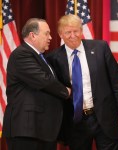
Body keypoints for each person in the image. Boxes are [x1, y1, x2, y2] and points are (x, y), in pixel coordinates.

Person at [46, 14, 118, 150]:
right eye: (68, 32)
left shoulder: (100, 48)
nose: (73, 35)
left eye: (76, 31)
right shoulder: (53, 58)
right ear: (60, 34)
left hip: (105, 117)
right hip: (76, 122)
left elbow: (117, 82)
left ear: (81, 31)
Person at [2, 18, 71, 150]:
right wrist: (66, 91)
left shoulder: (41, 57)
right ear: (33, 35)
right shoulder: (21, 54)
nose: (50, 37)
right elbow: (43, 80)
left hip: (41, 129)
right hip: (27, 130)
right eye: (46, 33)